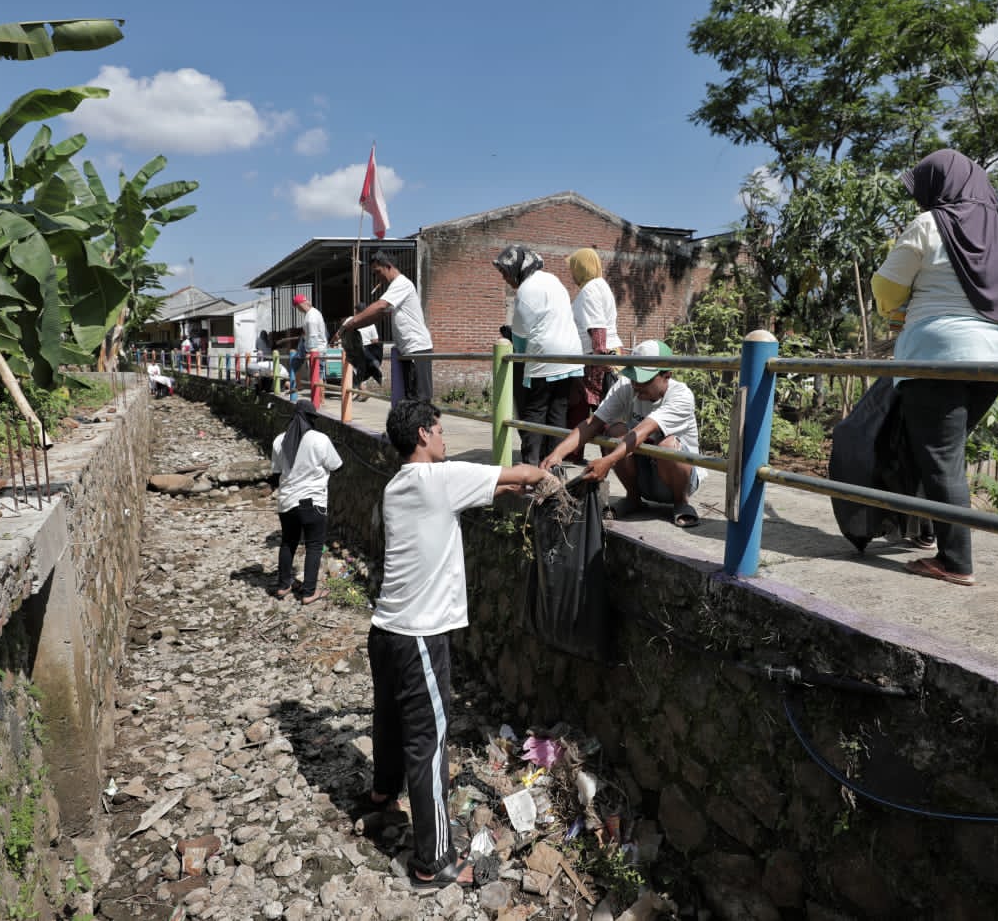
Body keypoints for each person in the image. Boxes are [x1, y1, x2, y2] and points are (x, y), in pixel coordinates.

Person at [367, 400, 553, 888]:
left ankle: (382, 793)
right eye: (442, 431)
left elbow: (496, 486)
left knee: (388, 717)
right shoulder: (441, 480)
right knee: (428, 743)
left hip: (385, 630)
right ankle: (433, 862)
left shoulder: (398, 485)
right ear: (424, 435)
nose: (446, 439)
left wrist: (514, 482)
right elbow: (518, 474)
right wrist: (546, 472)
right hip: (418, 637)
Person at [871, 148, 998, 586]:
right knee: (941, 450)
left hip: (940, 352)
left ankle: (955, 561)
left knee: (941, 456)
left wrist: (901, 308)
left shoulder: (932, 223)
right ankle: (926, 530)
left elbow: (887, 290)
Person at [541, 339, 703, 528]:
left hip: (677, 481)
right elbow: (592, 423)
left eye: (643, 380)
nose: (636, 384)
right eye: (633, 376)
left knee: (667, 446)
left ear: (666, 375)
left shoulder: (681, 396)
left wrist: (607, 462)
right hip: (642, 474)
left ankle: (681, 503)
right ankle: (633, 498)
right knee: (614, 431)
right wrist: (558, 454)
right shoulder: (626, 386)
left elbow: (642, 431)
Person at [493, 245, 583, 465]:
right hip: (570, 355)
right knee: (558, 413)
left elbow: (521, 341)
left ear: (517, 269)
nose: (505, 279)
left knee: (535, 410)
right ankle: (553, 465)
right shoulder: (553, 280)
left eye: (505, 273)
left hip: (545, 357)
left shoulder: (525, 292)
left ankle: (531, 466)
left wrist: (519, 361)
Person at [334, 251, 433, 403]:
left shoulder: (401, 283)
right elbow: (377, 316)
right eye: (374, 274)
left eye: (378, 272)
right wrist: (350, 328)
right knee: (411, 398)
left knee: (420, 398)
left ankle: (428, 426)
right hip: (407, 350)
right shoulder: (394, 288)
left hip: (417, 348)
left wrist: (350, 324)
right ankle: (417, 426)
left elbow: (380, 306)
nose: (377, 277)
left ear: (388, 266)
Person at [269, 399, 343, 603]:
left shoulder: (279, 441)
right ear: (311, 419)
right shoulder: (320, 439)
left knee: (288, 542)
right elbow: (337, 466)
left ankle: (283, 585)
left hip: (286, 502)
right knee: (314, 545)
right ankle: (309, 592)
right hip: (312, 502)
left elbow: (276, 473)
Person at [565, 248, 623, 441]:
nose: (572, 273)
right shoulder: (600, 285)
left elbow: (598, 329)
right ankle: (582, 453)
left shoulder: (590, 290)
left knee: (600, 412)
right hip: (604, 355)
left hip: (597, 357)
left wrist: (600, 361)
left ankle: (607, 454)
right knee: (601, 410)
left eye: (573, 268)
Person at [289, 294, 327, 393]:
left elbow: (313, 336)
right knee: (296, 364)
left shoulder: (311, 318)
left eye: (297, 307)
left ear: (299, 305)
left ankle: (320, 400)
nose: (298, 310)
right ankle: (298, 386)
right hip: (314, 347)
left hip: (316, 349)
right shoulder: (313, 312)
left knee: (317, 375)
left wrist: (310, 353)